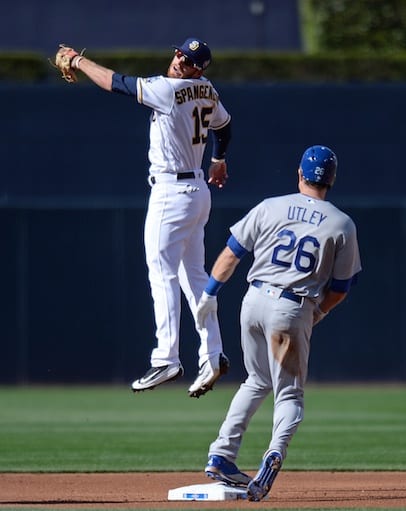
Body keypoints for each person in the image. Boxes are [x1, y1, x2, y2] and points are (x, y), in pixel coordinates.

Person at [62, 37, 232, 397]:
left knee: (162, 273)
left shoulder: (167, 89)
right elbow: (225, 126)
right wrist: (218, 159)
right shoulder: (207, 90)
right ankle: (212, 354)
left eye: (186, 60)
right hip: (197, 192)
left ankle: (166, 357)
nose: (178, 60)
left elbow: (115, 83)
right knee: (196, 279)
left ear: (197, 68)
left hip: (171, 192)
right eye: (178, 53)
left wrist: (78, 61)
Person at [194, 145, 361, 501]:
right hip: (292, 306)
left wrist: (208, 294)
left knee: (255, 380)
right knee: (289, 393)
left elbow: (231, 254)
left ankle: (222, 454)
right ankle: (274, 453)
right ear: (331, 180)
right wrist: (316, 314)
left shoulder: (270, 206)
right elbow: (341, 288)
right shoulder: (341, 223)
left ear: (299, 173)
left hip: (252, 300)